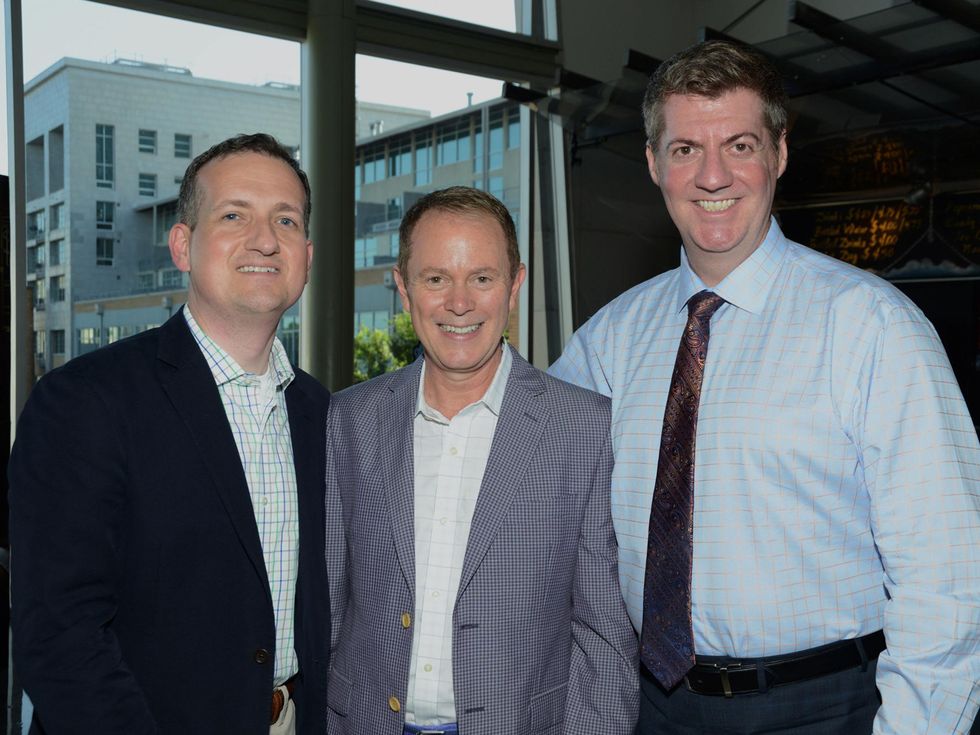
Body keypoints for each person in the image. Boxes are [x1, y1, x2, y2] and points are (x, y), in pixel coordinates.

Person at [549, 40, 980, 734]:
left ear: (779, 154)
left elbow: (950, 580)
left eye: (740, 144)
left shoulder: (872, 328)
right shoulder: (609, 339)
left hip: (822, 707)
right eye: (686, 148)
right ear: (655, 162)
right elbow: (531, 491)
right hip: (645, 706)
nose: (712, 174)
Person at [9, 133, 330, 735]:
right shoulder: (85, 402)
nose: (265, 239)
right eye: (234, 215)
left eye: (285, 220)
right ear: (183, 245)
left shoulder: (323, 413)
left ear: (307, 256)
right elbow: (59, 635)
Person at [323, 186, 638, 735]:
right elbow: (327, 605)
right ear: (403, 287)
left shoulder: (585, 428)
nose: (459, 303)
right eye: (436, 278)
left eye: (482, 278)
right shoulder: (350, 421)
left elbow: (604, 636)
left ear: (515, 285)